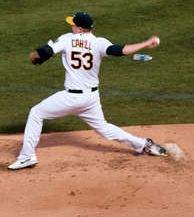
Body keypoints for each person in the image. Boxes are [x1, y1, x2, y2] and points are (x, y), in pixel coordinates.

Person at [8, 12, 167, 170]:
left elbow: (46, 52)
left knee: (36, 113)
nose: (71, 26)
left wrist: (35, 56)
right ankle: (143, 145)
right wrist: (146, 43)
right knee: (104, 128)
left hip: (71, 98)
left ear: (79, 28)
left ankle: (27, 156)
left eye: (73, 24)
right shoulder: (99, 42)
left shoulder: (67, 39)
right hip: (91, 98)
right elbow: (120, 50)